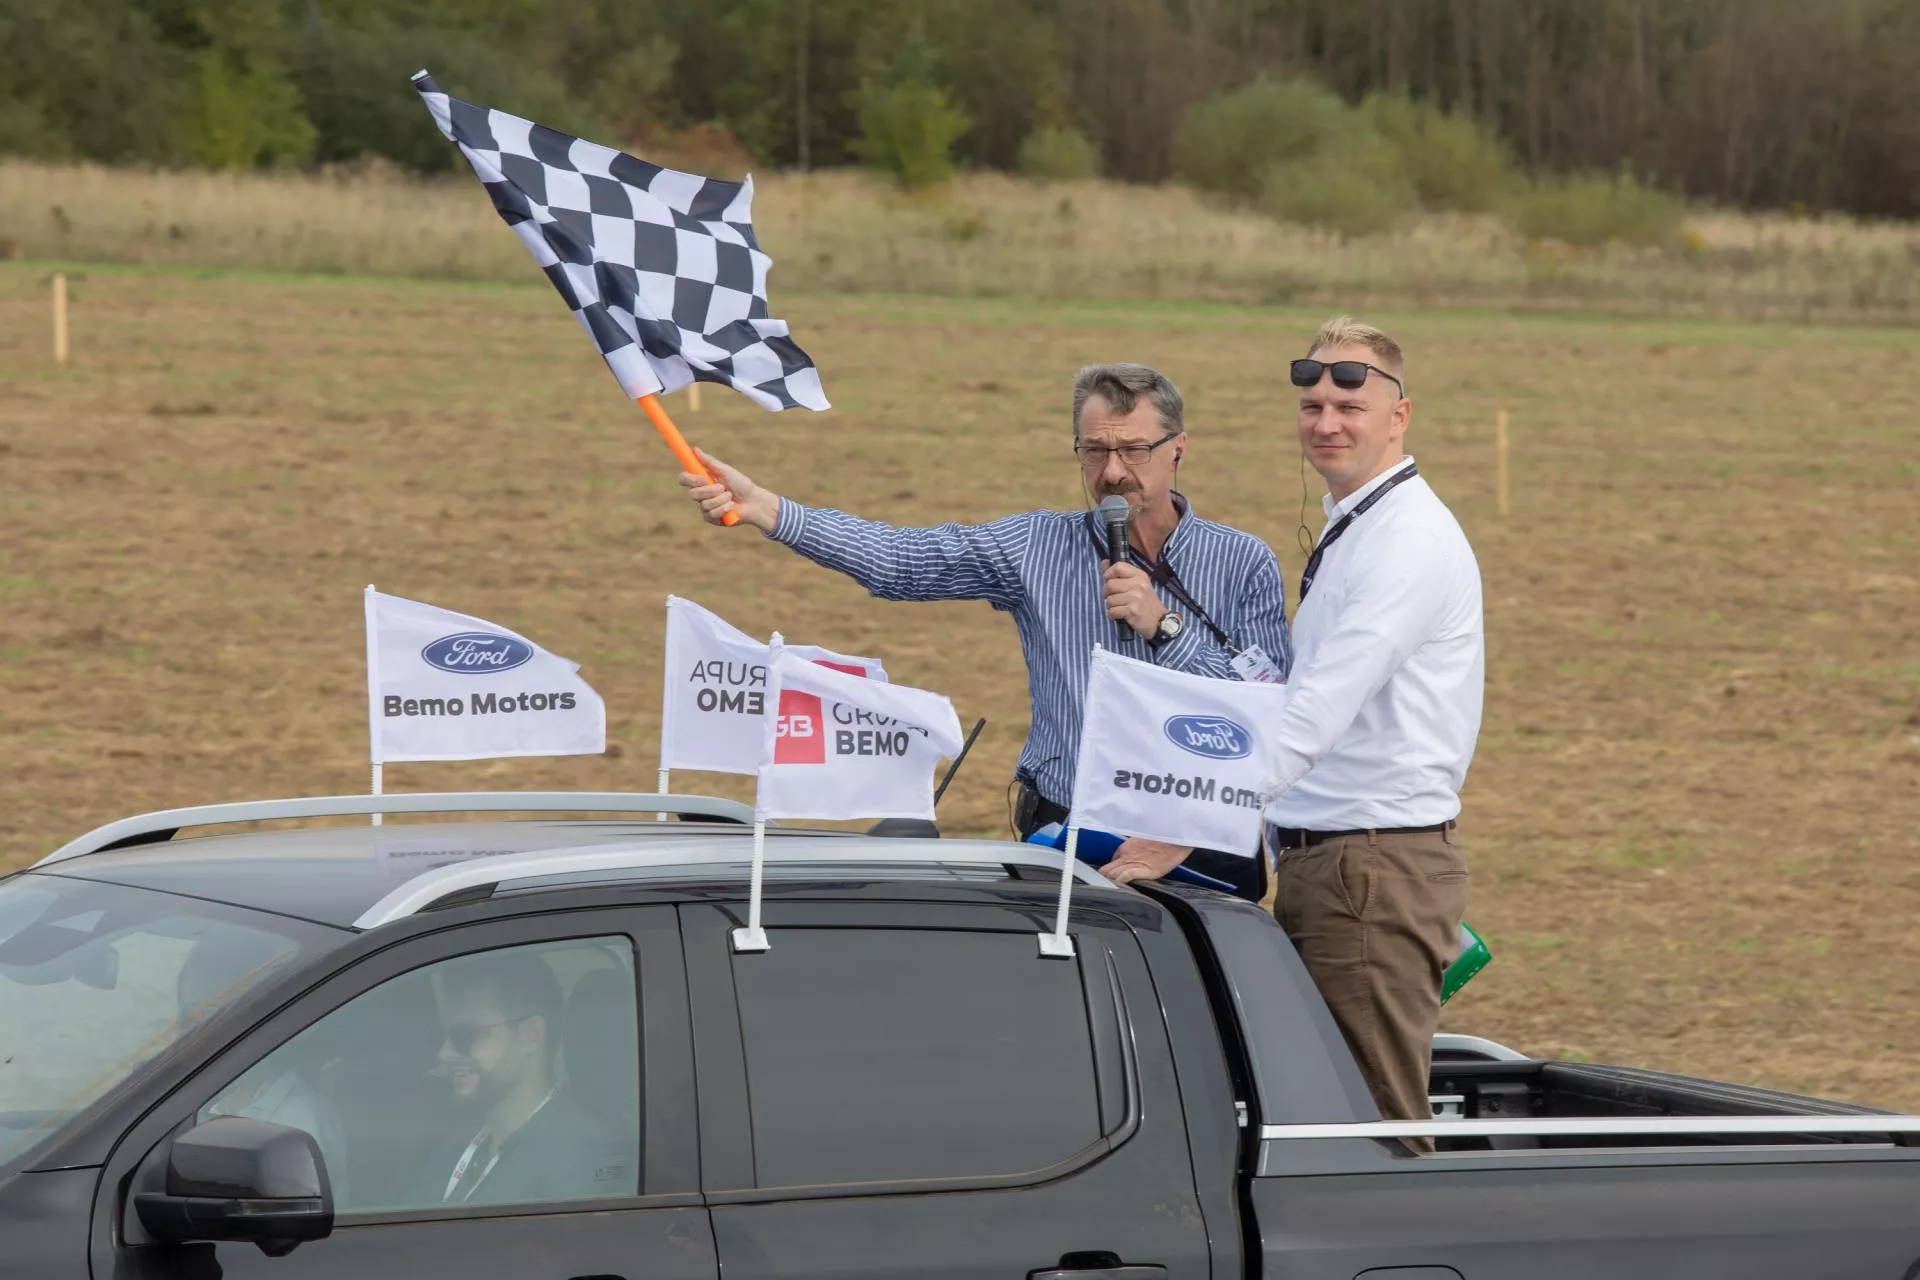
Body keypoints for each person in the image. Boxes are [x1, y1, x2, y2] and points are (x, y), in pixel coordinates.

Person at [681, 363, 1291, 896]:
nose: (1111, 473)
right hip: (1067, 826)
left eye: (1133, 450)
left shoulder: (1243, 563)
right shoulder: (1034, 547)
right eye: (1093, 451)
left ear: (1178, 448)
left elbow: (1272, 710)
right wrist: (771, 510)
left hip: (1196, 836)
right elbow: (903, 563)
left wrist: (1166, 626)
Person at [1256, 316, 1484, 1149]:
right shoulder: (1363, 523)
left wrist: (1193, 819)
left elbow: (1315, 714)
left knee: (1376, 1135)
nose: (1326, 422)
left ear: (1400, 414)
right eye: (1311, 404)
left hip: (1370, 870)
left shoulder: (1407, 541)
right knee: (1333, 1118)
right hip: (1344, 861)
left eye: (1349, 406)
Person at [418, 953, 604, 1206]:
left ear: (531, 1035)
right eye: (443, 1037)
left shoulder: (577, 1159)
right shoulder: (455, 1150)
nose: (445, 1053)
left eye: (466, 1036)